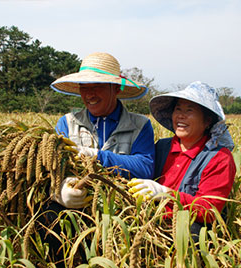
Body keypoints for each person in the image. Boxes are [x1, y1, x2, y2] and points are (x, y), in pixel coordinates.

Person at [38, 52, 155, 265]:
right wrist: (61, 190)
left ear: (116, 88)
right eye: (84, 87)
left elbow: (145, 167)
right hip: (78, 206)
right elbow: (52, 169)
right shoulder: (67, 123)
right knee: (48, 216)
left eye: (97, 86)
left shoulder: (140, 125)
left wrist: (99, 156)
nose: (89, 94)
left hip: (122, 209)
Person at [128, 81, 236, 243]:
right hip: (149, 223)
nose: (181, 116)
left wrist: (167, 195)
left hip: (185, 234)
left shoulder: (219, 157)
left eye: (189, 110)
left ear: (207, 121)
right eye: (178, 109)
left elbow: (209, 210)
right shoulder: (161, 147)